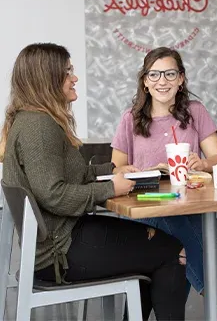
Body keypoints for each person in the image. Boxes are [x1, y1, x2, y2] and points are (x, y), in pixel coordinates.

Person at [0, 43, 187, 321]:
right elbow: (53, 194)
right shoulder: (39, 128)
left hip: (60, 243)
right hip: (59, 255)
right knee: (174, 252)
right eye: (67, 72)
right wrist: (111, 188)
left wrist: (114, 170)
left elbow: (65, 175)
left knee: (155, 248)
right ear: (47, 79)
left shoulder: (34, 121)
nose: (74, 77)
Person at [112, 47, 217, 321]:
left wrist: (202, 164)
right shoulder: (130, 119)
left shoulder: (195, 112)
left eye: (169, 74)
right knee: (177, 234)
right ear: (144, 80)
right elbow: (116, 167)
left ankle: (213, 301)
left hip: (188, 204)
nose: (162, 81)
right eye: (154, 74)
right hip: (146, 208)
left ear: (181, 79)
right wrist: (146, 171)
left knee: (181, 230)